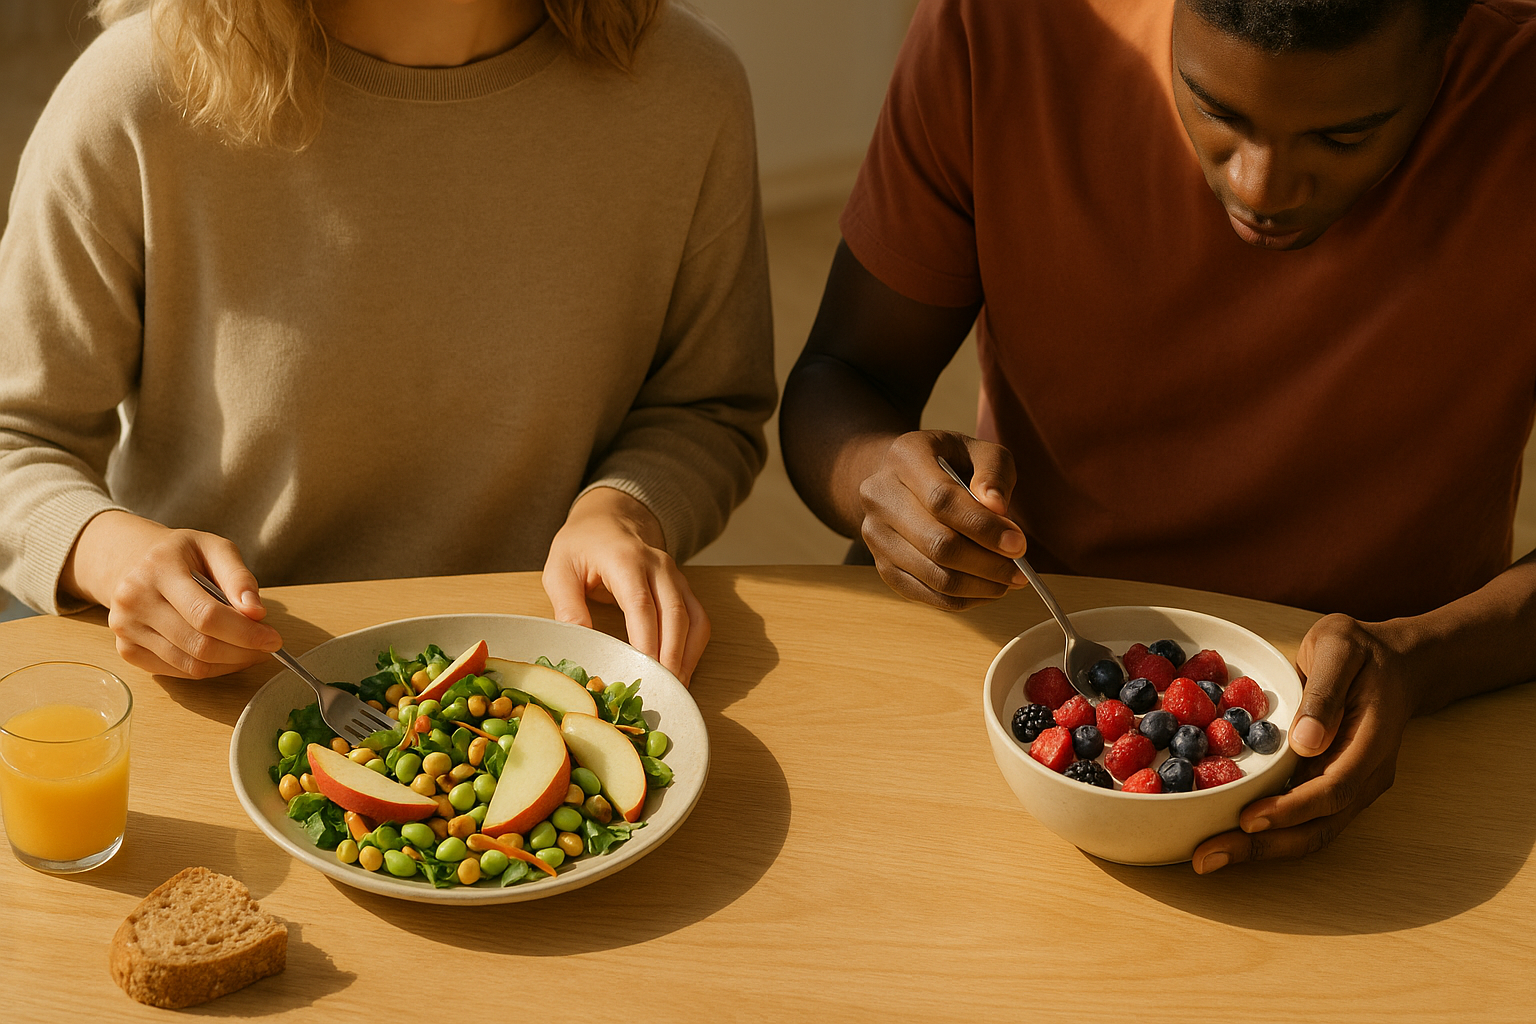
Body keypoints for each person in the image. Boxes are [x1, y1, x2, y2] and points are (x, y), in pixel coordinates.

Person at [780, 0, 1536, 870]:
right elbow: (841, 378)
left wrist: (1427, 658)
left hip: (1406, 723)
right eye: (1215, 109)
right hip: (1019, 646)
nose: (1260, 188)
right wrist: (877, 478)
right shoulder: (1003, 28)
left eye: (1344, 136)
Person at [0, 0, 775, 686]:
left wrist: (624, 511)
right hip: (230, 682)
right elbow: (16, 438)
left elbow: (708, 406)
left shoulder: (688, 88)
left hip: (556, 677)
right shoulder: (140, 94)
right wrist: (113, 555)